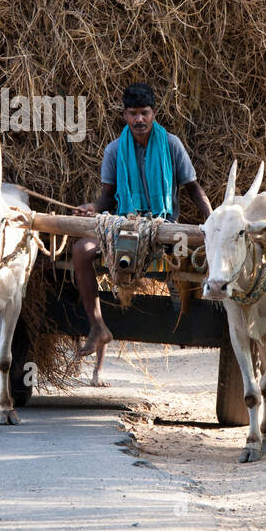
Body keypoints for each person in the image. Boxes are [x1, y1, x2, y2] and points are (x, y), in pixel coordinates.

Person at [72, 83, 212, 384]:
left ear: (154, 113)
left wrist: (212, 220)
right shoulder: (113, 150)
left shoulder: (172, 144)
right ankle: (98, 326)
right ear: (124, 115)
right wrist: (92, 208)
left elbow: (193, 189)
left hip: (164, 226)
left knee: (189, 258)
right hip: (123, 223)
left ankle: (183, 304)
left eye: (144, 113)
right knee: (81, 251)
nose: (139, 120)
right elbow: (107, 198)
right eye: (133, 114)